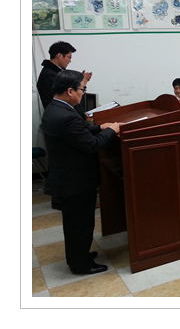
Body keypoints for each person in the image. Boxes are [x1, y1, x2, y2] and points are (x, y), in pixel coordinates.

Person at [41, 70, 121, 275]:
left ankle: (79, 255)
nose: (83, 93)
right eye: (82, 90)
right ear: (70, 91)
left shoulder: (55, 108)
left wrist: (99, 127)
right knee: (80, 223)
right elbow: (91, 145)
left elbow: (77, 134)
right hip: (75, 181)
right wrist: (111, 130)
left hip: (67, 177)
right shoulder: (67, 115)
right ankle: (80, 264)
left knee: (76, 223)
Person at [37, 41, 92, 113]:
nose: (70, 61)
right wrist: (82, 82)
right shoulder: (49, 75)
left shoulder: (57, 72)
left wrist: (79, 81)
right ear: (59, 55)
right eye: (69, 57)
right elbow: (68, 96)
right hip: (61, 115)